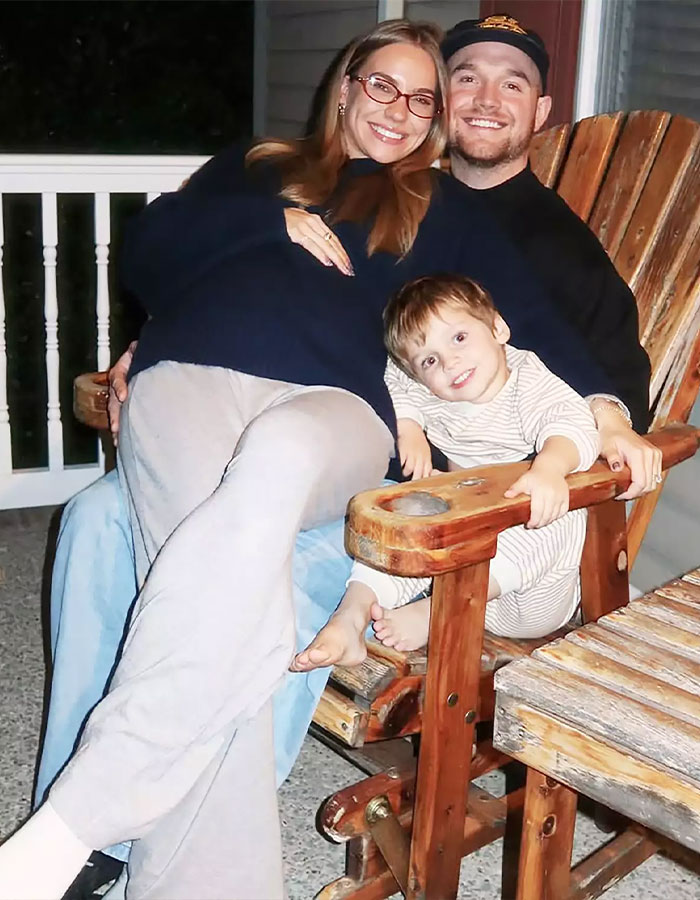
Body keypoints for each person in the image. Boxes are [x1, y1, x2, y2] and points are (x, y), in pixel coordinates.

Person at [34, 15, 660, 898]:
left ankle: (83, 818)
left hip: (348, 458)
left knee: (239, 572)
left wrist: (608, 414)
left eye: (423, 98)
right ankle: (99, 825)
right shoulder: (259, 169)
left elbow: (552, 335)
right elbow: (157, 251)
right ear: (345, 87)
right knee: (99, 524)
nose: (403, 110)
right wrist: (200, 294)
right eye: (384, 87)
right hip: (208, 400)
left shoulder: (450, 212)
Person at [296, 272, 600, 668]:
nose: (450, 362)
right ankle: (350, 617)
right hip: (464, 568)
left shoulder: (526, 381)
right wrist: (409, 429)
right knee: (411, 512)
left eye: (458, 338)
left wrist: (549, 468)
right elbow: (395, 380)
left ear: (498, 328)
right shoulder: (431, 390)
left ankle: (436, 610)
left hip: (530, 595)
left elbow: (572, 422)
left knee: (549, 513)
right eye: (430, 360)